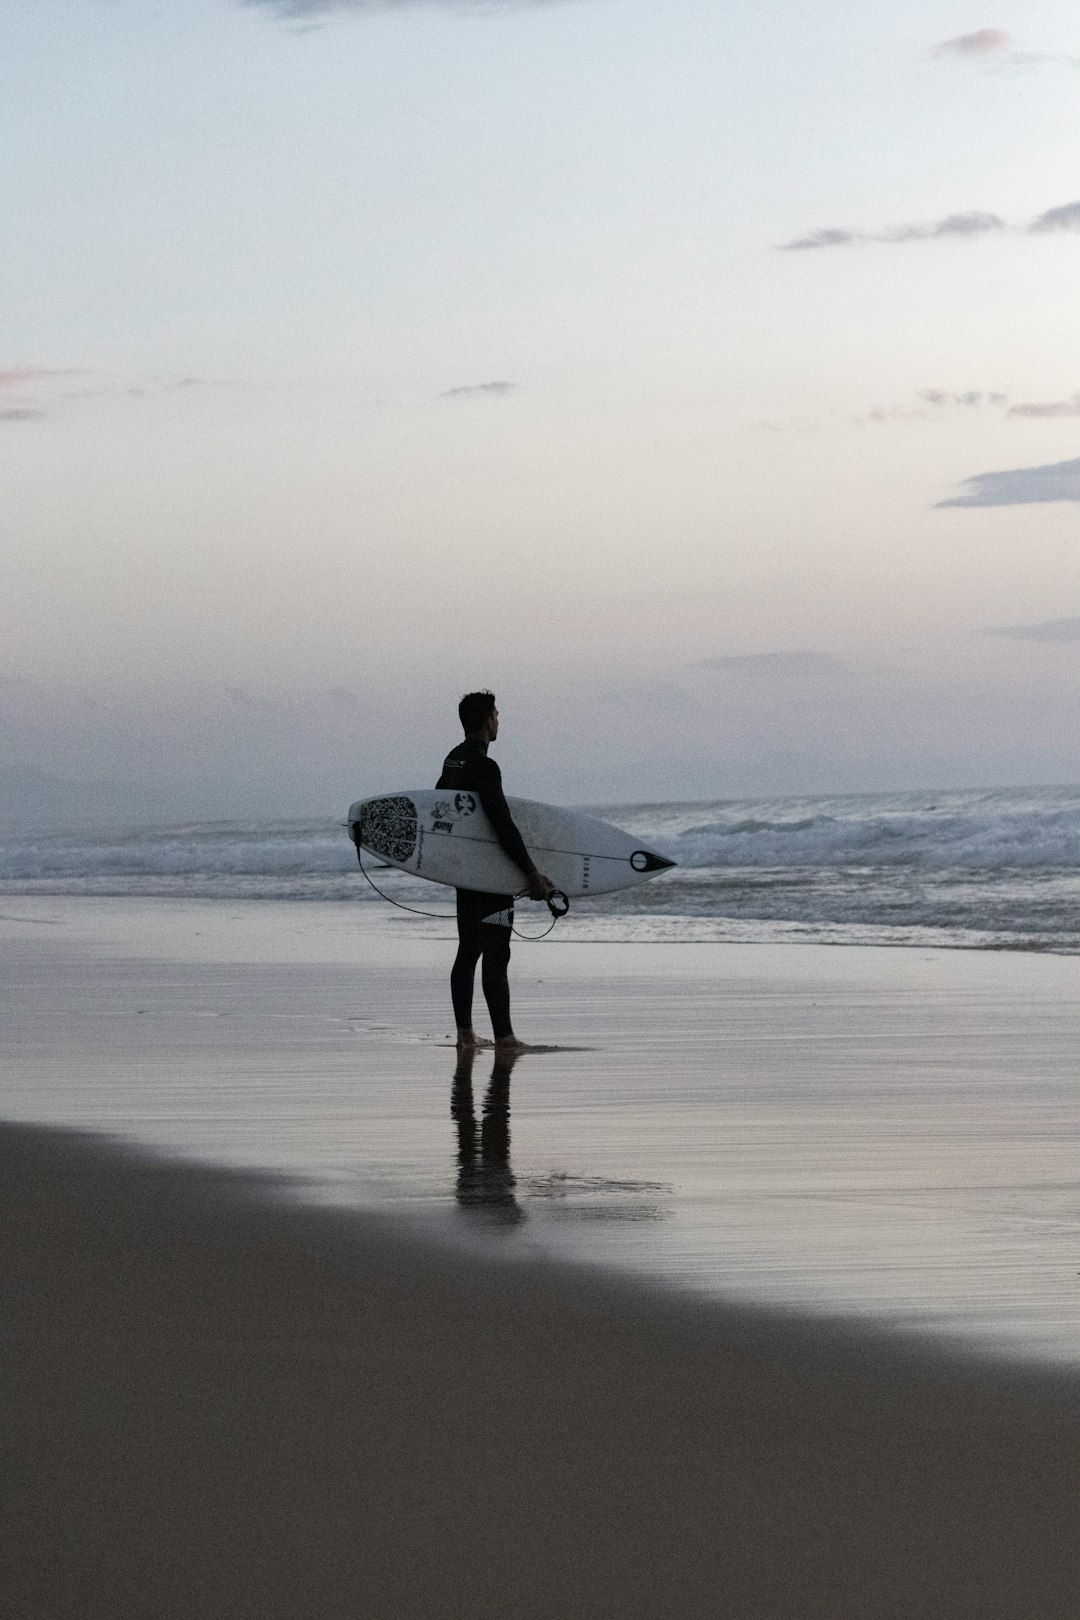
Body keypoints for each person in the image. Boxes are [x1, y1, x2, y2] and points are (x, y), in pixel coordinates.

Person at [437, 691, 554, 1051]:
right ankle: (505, 1037)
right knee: (497, 952)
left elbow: (441, 808)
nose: (499, 721)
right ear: (487, 720)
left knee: (468, 949)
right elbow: (502, 824)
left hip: (465, 874)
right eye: (497, 715)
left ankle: (465, 1034)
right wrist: (531, 874)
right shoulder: (486, 767)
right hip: (490, 876)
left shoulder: (453, 760)